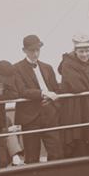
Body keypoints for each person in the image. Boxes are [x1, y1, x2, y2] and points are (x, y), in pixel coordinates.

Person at [11, 35, 63, 163]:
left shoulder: (47, 67)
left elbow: (56, 89)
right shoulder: (16, 68)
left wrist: (52, 100)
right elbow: (21, 91)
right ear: (24, 50)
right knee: (32, 157)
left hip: (50, 115)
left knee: (57, 154)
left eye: (37, 50)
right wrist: (43, 94)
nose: (35, 54)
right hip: (30, 118)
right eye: (31, 50)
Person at [58, 34, 89, 158]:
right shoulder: (68, 65)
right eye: (81, 51)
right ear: (75, 51)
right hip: (75, 110)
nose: (84, 54)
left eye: (87, 51)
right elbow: (77, 87)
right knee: (78, 139)